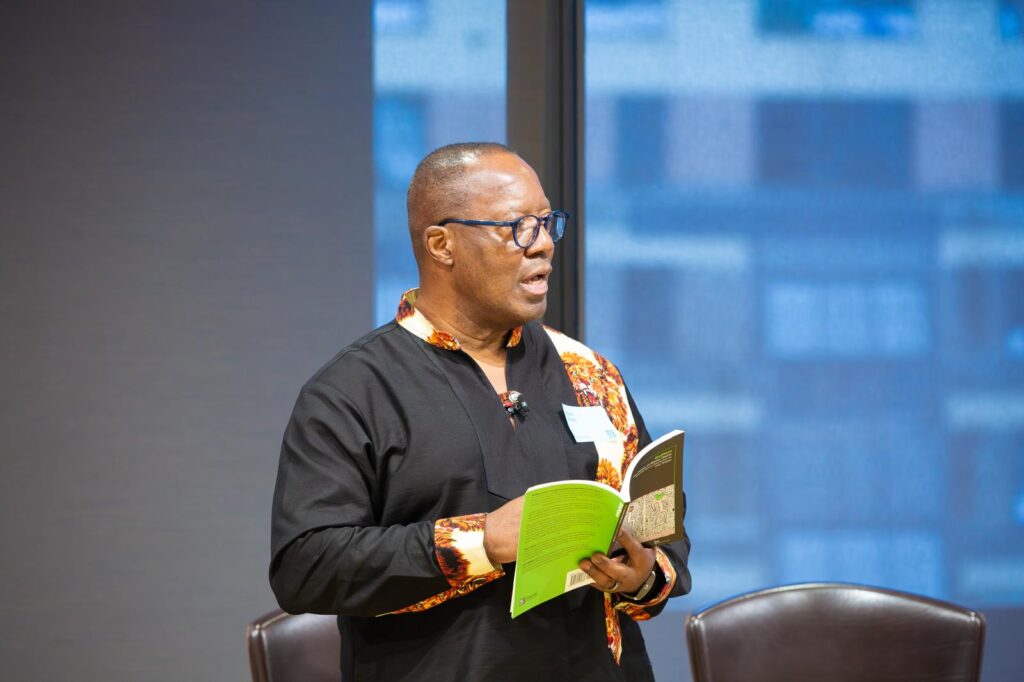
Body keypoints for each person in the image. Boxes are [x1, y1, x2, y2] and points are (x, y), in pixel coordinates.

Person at [270, 142, 691, 681]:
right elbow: (306, 567)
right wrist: (483, 540)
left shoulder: (590, 374)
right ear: (441, 244)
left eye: (547, 223)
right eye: (517, 227)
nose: (543, 245)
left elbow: (667, 543)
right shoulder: (352, 391)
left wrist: (639, 575)